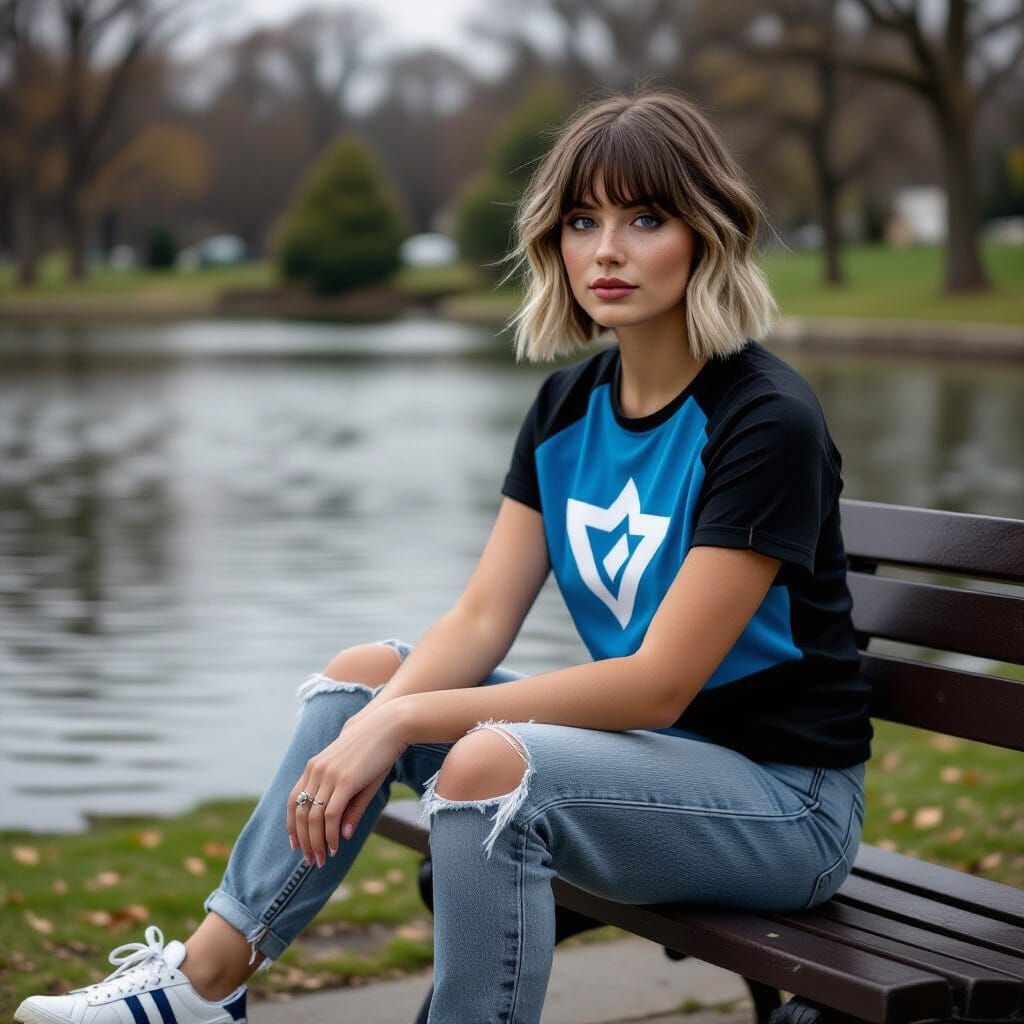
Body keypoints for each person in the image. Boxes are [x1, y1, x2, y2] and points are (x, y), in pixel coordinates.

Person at [15, 87, 872, 1024]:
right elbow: (479, 619)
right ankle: (205, 983)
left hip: (786, 809)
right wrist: (383, 712)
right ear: (554, 242)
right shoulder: (568, 410)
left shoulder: (764, 421)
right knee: (357, 684)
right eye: (582, 221)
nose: (608, 250)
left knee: (485, 765)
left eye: (646, 218)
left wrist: (406, 724)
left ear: (706, 233)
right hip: (648, 772)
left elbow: (658, 685)